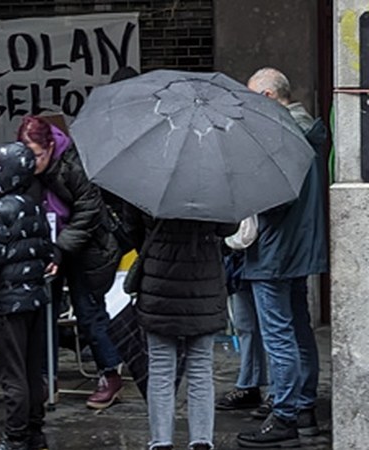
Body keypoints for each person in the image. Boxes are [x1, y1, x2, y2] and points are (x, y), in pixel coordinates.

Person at [236, 67, 328, 448]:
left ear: (270, 97)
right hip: (300, 245)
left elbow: (271, 198)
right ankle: (303, 405)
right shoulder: (308, 130)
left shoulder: (280, 135)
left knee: (277, 334)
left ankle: (285, 413)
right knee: (299, 327)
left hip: (274, 249)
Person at [17, 115, 124, 409]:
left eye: (37, 156)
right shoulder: (29, 169)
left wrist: (60, 248)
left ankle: (110, 374)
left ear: (50, 147)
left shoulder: (75, 163)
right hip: (49, 246)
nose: (32, 162)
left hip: (86, 248)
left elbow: (89, 211)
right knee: (43, 313)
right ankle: (44, 376)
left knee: (89, 312)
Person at [124, 207, 238, 450]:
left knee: (161, 368)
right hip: (203, 281)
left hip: (159, 279)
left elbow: (132, 227)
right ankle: (200, 442)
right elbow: (229, 228)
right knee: (200, 368)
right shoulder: (215, 182)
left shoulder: (148, 178)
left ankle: (161, 442)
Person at [0, 141, 56, 450]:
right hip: (35, 298)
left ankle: (15, 436)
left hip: (8, 303)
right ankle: (35, 431)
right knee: (33, 369)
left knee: (12, 373)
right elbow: (47, 249)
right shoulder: (35, 205)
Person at [216, 250, 270, 414]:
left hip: (266, 259)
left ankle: (277, 393)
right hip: (239, 258)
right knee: (245, 325)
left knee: (273, 331)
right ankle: (249, 384)